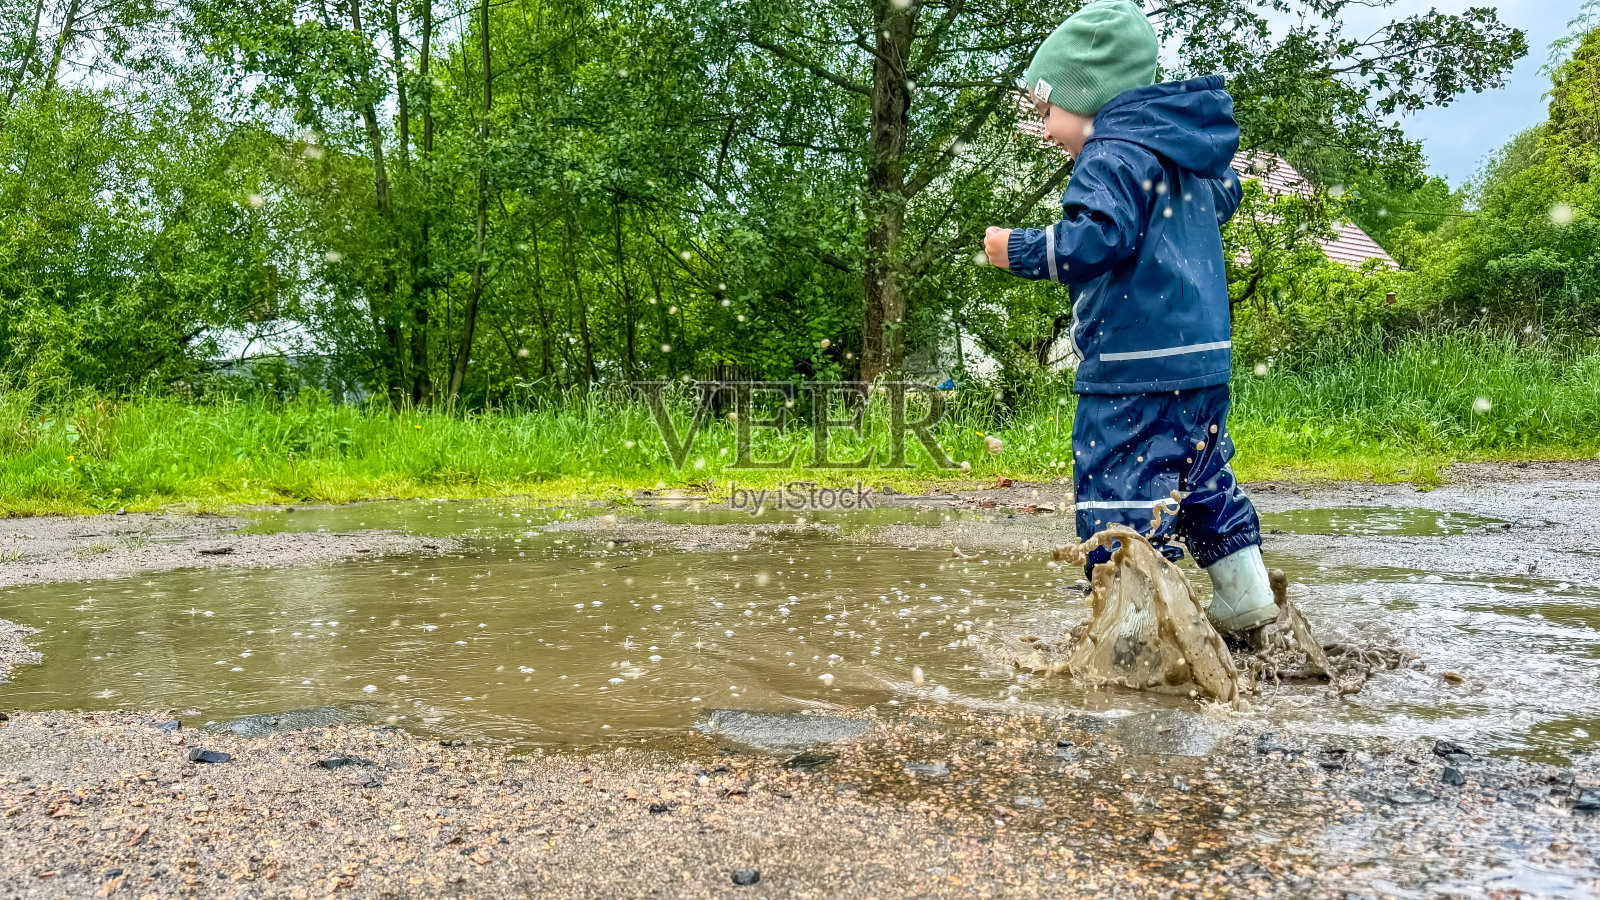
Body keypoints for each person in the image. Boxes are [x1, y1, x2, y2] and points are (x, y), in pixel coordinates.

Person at [982, 0, 1275, 635]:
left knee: (1118, 489)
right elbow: (1221, 198)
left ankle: (1131, 632)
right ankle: (1244, 593)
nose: (1044, 127)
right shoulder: (1180, 154)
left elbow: (1098, 242)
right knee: (1199, 479)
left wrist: (1020, 249)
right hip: (1200, 362)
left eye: (1046, 110)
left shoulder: (1112, 155)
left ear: (1090, 98)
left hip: (1131, 368)